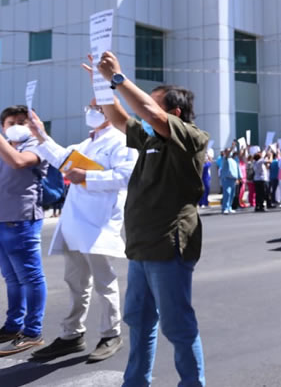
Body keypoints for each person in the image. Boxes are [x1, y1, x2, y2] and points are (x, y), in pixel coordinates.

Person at [96, 51, 208, 387]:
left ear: (174, 113)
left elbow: (150, 113)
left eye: (153, 104)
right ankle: (135, 382)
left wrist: (118, 79)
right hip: (141, 247)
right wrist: (102, 86)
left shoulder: (190, 137)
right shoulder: (148, 138)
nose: (142, 112)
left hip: (168, 245)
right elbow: (119, 118)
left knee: (177, 326)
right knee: (139, 320)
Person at [28, 101, 137, 362]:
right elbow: (61, 158)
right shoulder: (87, 143)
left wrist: (88, 177)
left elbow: (127, 177)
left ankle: (111, 334)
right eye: (89, 106)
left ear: (111, 110)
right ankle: (72, 334)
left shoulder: (122, 141)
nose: (90, 111)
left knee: (103, 282)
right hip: (75, 223)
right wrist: (40, 135)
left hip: (98, 223)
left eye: (97, 107)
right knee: (76, 282)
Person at [0, 105, 47, 356]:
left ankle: (33, 332)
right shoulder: (5, 146)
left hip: (21, 219)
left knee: (30, 277)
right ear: (3, 126)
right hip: (2, 219)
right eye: (11, 122)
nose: (17, 126)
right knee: (12, 278)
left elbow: (18, 162)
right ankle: (13, 326)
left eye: (22, 121)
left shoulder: (37, 145)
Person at [220, 147, 240, 214]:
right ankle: (225, 208)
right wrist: (231, 148)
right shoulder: (225, 159)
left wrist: (238, 178)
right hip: (227, 179)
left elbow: (237, 169)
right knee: (227, 193)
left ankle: (229, 207)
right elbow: (227, 154)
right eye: (228, 151)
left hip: (233, 179)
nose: (229, 152)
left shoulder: (234, 160)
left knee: (232, 194)